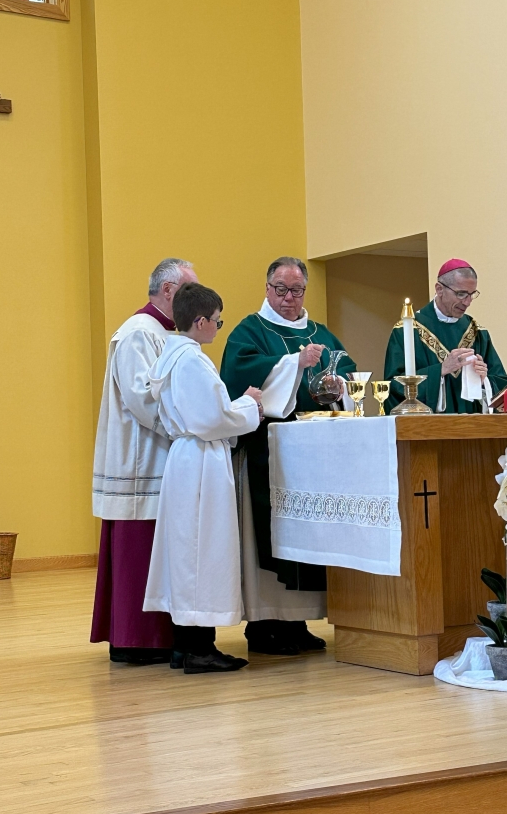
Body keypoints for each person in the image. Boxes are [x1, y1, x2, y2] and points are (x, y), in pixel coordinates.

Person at [221, 257, 356, 656]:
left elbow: (349, 377)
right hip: (266, 451)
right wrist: (293, 363)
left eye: (297, 290)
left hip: (313, 459)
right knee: (268, 537)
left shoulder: (320, 333)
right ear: (267, 289)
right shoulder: (250, 330)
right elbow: (237, 376)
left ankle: (296, 624)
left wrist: (337, 383)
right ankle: (263, 627)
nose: (289, 298)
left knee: (305, 538)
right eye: (281, 289)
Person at [143, 284, 263, 673]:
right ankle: (199, 649)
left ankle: (185, 645)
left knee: (186, 552)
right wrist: (249, 404)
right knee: (203, 550)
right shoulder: (192, 361)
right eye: (216, 321)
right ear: (200, 321)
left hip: (186, 460)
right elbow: (211, 419)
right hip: (200, 461)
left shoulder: (171, 356)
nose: (217, 328)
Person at [90, 258, 197, 664]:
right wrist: (194, 421)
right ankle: (137, 640)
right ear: (168, 291)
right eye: (188, 290)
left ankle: (152, 637)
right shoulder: (138, 333)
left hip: (159, 458)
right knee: (140, 554)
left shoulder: (162, 332)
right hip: (141, 462)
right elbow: (142, 400)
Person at [384, 259, 507, 413]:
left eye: (472, 294)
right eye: (461, 294)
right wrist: (441, 370)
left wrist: (485, 380)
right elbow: (393, 387)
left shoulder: (476, 332)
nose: (468, 302)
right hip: (428, 429)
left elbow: (502, 386)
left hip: (474, 427)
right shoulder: (408, 330)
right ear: (439, 289)